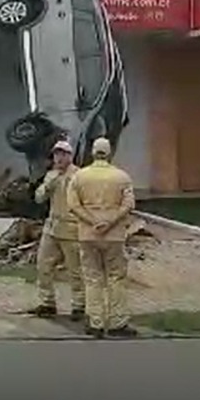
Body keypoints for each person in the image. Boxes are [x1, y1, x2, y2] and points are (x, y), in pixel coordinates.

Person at [66, 137, 136, 339]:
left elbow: (73, 205)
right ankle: (117, 322)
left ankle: (95, 322)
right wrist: (110, 221)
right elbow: (128, 204)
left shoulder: (79, 177)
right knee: (116, 277)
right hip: (114, 235)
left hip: (88, 234)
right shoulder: (122, 177)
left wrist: (91, 221)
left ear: (93, 152)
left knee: (92, 278)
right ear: (109, 152)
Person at [29, 139, 85, 321]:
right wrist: (47, 186)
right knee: (43, 265)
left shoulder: (79, 175)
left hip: (71, 227)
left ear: (70, 156)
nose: (59, 158)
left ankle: (79, 305)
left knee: (75, 269)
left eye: (63, 154)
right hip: (52, 227)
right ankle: (47, 302)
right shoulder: (51, 175)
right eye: (56, 154)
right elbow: (38, 198)